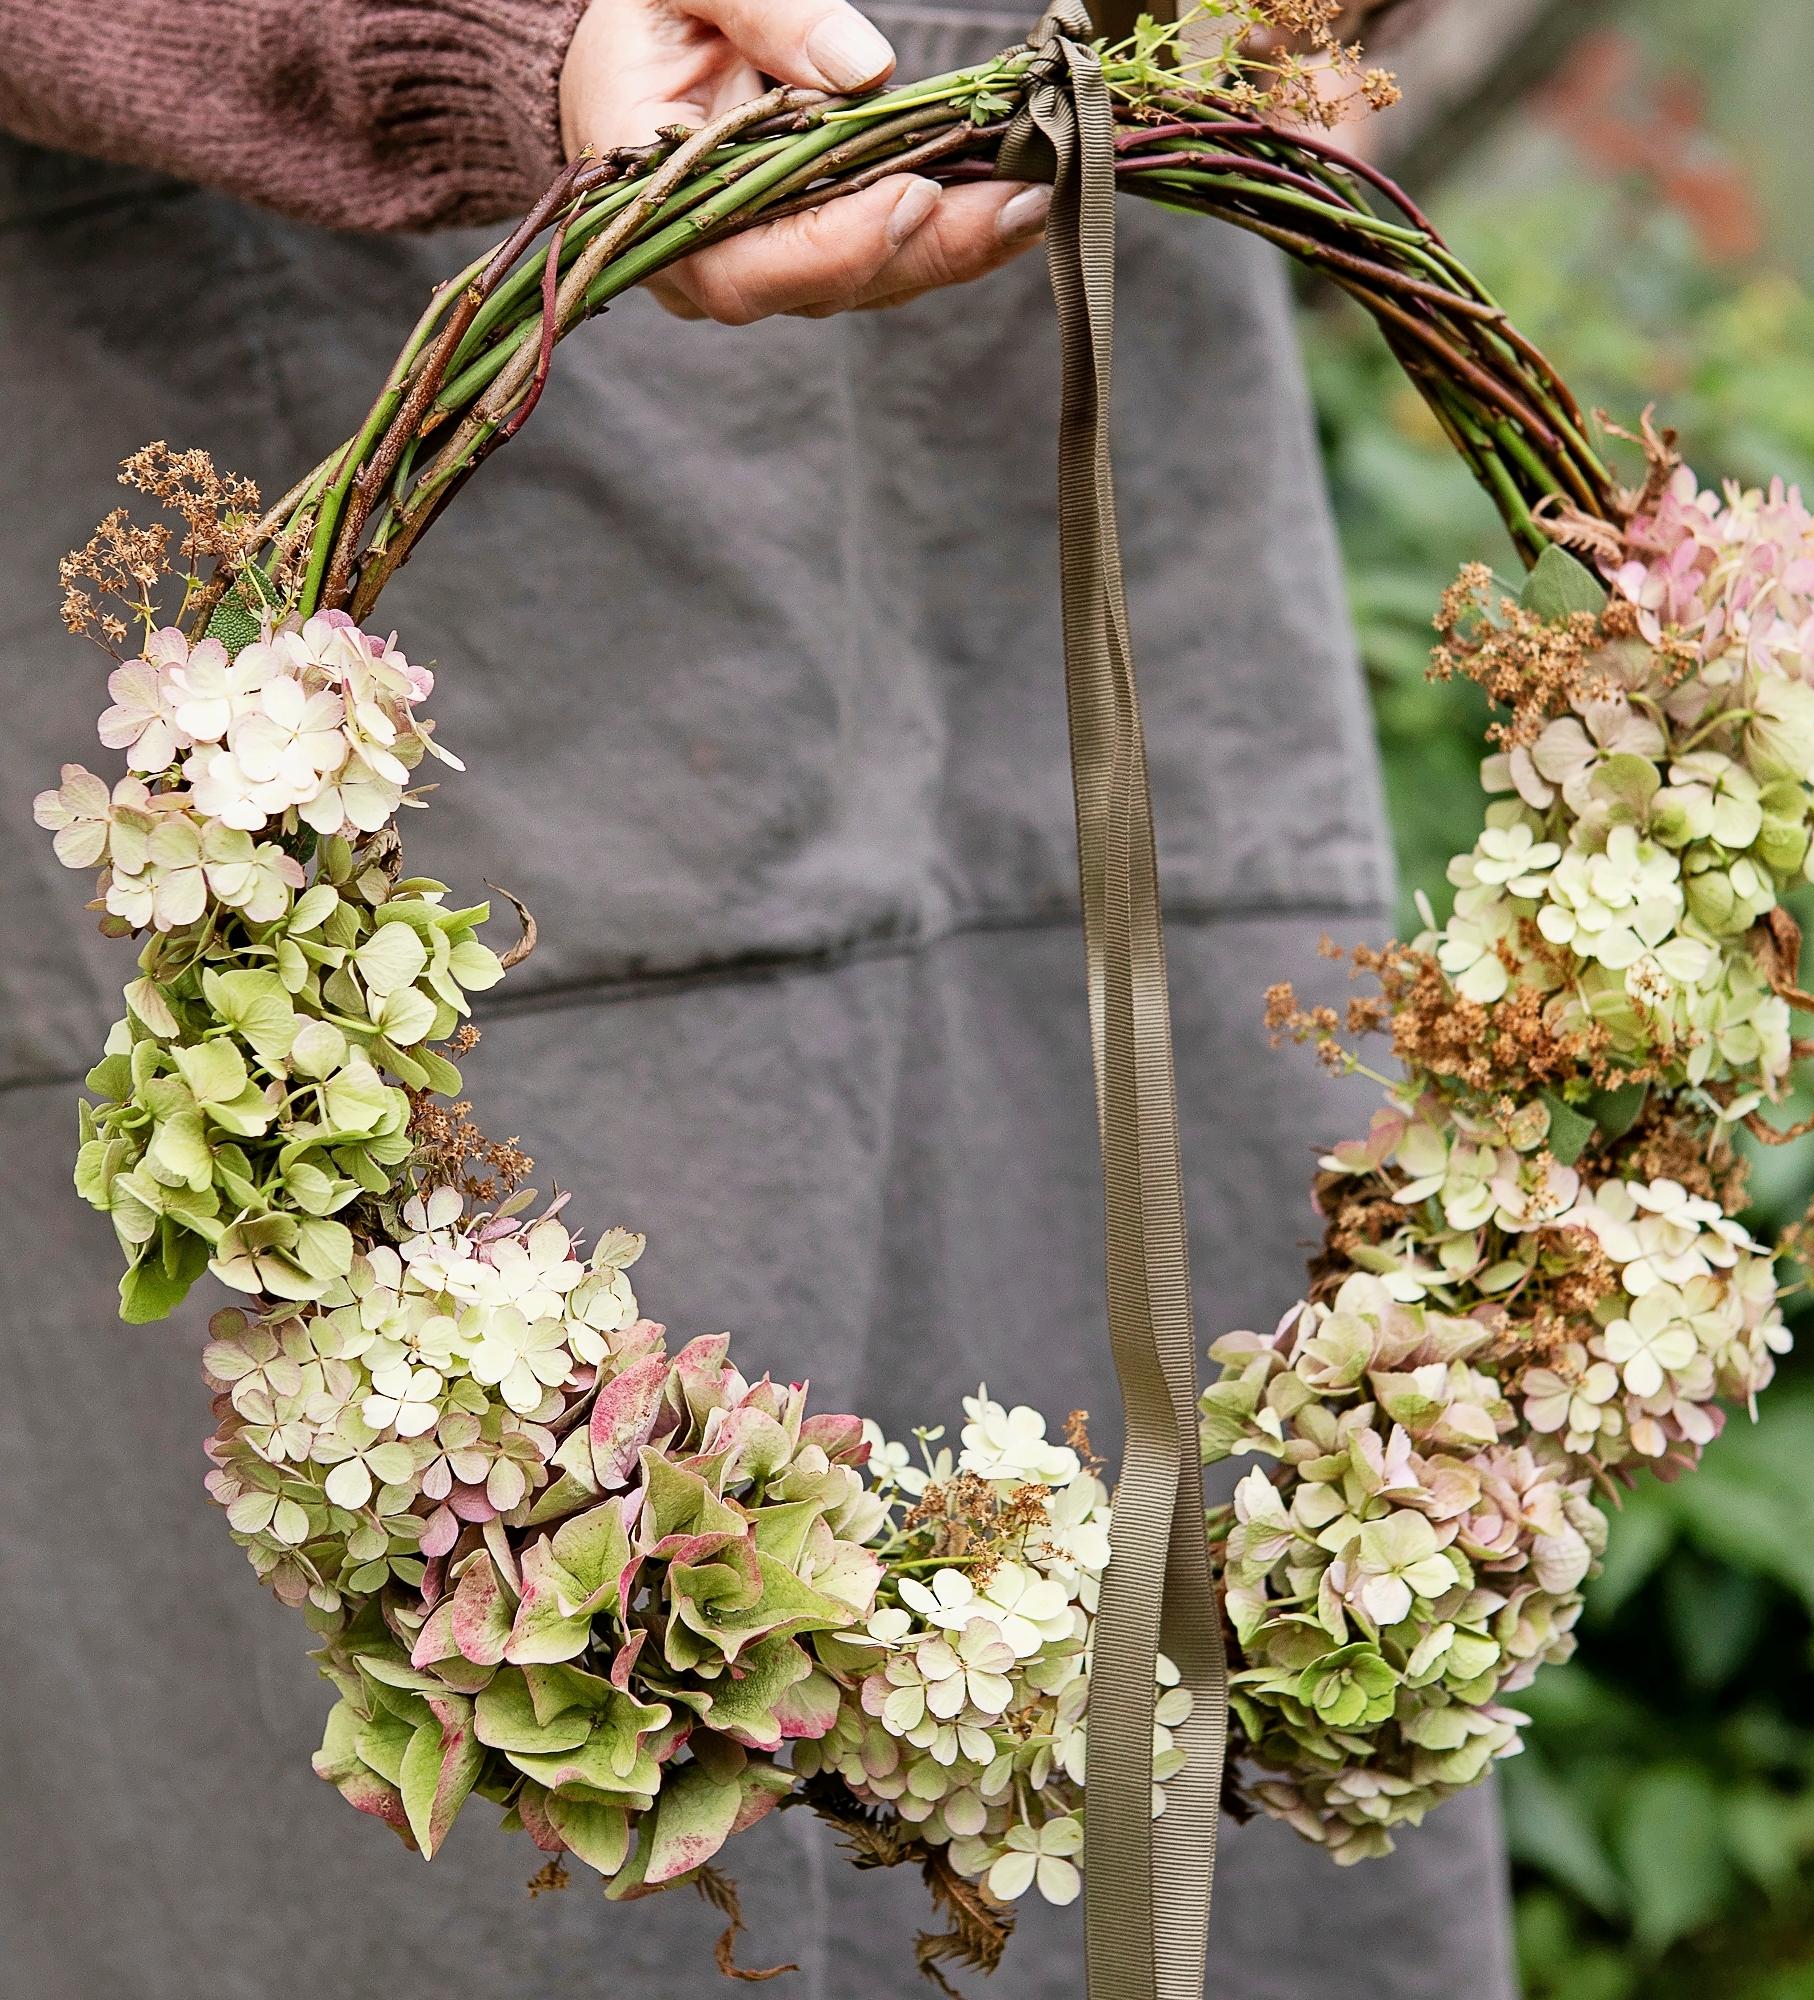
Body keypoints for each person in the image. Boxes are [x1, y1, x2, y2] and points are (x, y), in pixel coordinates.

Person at [0, 1, 1515, 1994]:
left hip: (1093, 530)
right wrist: (468, 44)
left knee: (1223, 1718)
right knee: (472, 1803)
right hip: (383, 491)